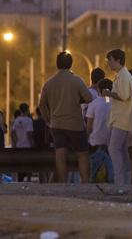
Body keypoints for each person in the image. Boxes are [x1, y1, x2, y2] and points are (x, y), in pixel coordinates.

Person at [38, 51, 93, 183]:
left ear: (57, 64)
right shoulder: (76, 81)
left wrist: (48, 120)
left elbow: (41, 105)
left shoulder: (49, 83)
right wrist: (76, 100)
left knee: (60, 154)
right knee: (82, 154)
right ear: (70, 64)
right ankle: (85, 182)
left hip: (56, 125)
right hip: (75, 124)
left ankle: (63, 183)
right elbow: (89, 98)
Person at [103, 49, 132, 186]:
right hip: (122, 118)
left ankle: (120, 182)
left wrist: (108, 93)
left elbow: (123, 95)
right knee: (122, 151)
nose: (108, 63)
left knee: (114, 149)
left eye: (110, 60)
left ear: (117, 60)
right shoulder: (122, 75)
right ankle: (125, 183)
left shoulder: (123, 76)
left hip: (122, 119)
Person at [86, 78, 114, 183]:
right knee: (111, 175)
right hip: (110, 143)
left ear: (99, 89)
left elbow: (89, 125)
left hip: (95, 143)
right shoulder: (115, 104)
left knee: (93, 174)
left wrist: (85, 138)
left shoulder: (93, 104)